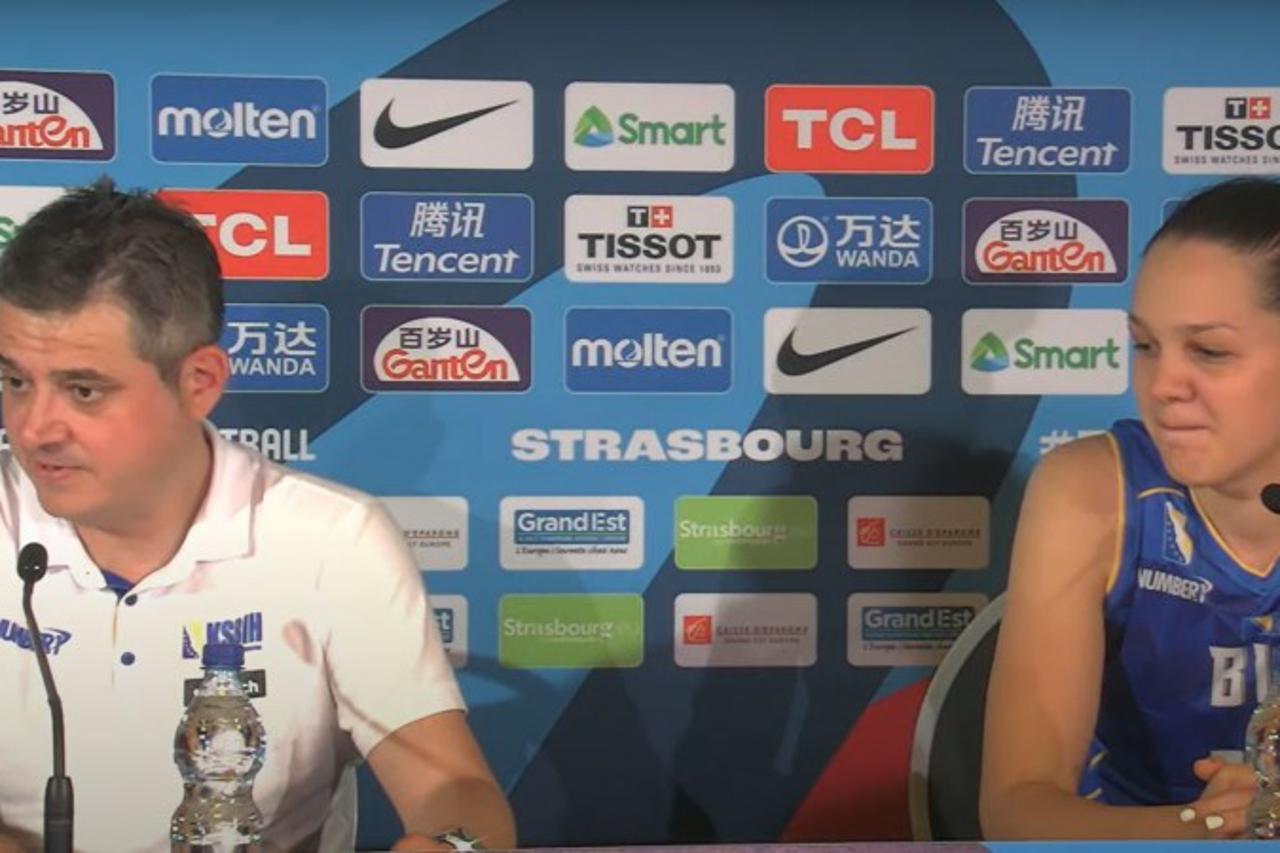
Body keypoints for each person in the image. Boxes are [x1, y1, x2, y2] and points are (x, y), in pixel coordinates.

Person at [0, 180, 516, 852]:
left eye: (83, 390)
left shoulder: (333, 542)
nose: (34, 428)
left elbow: (454, 788)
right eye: (15, 381)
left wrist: (451, 844)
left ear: (199, 383)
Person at [980, 177, 1280, 840]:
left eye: (1209, 351)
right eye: (1145, 345)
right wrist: (1213, 828)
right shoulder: (1090, 489)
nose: (1162, 384)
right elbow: (1015, 809)